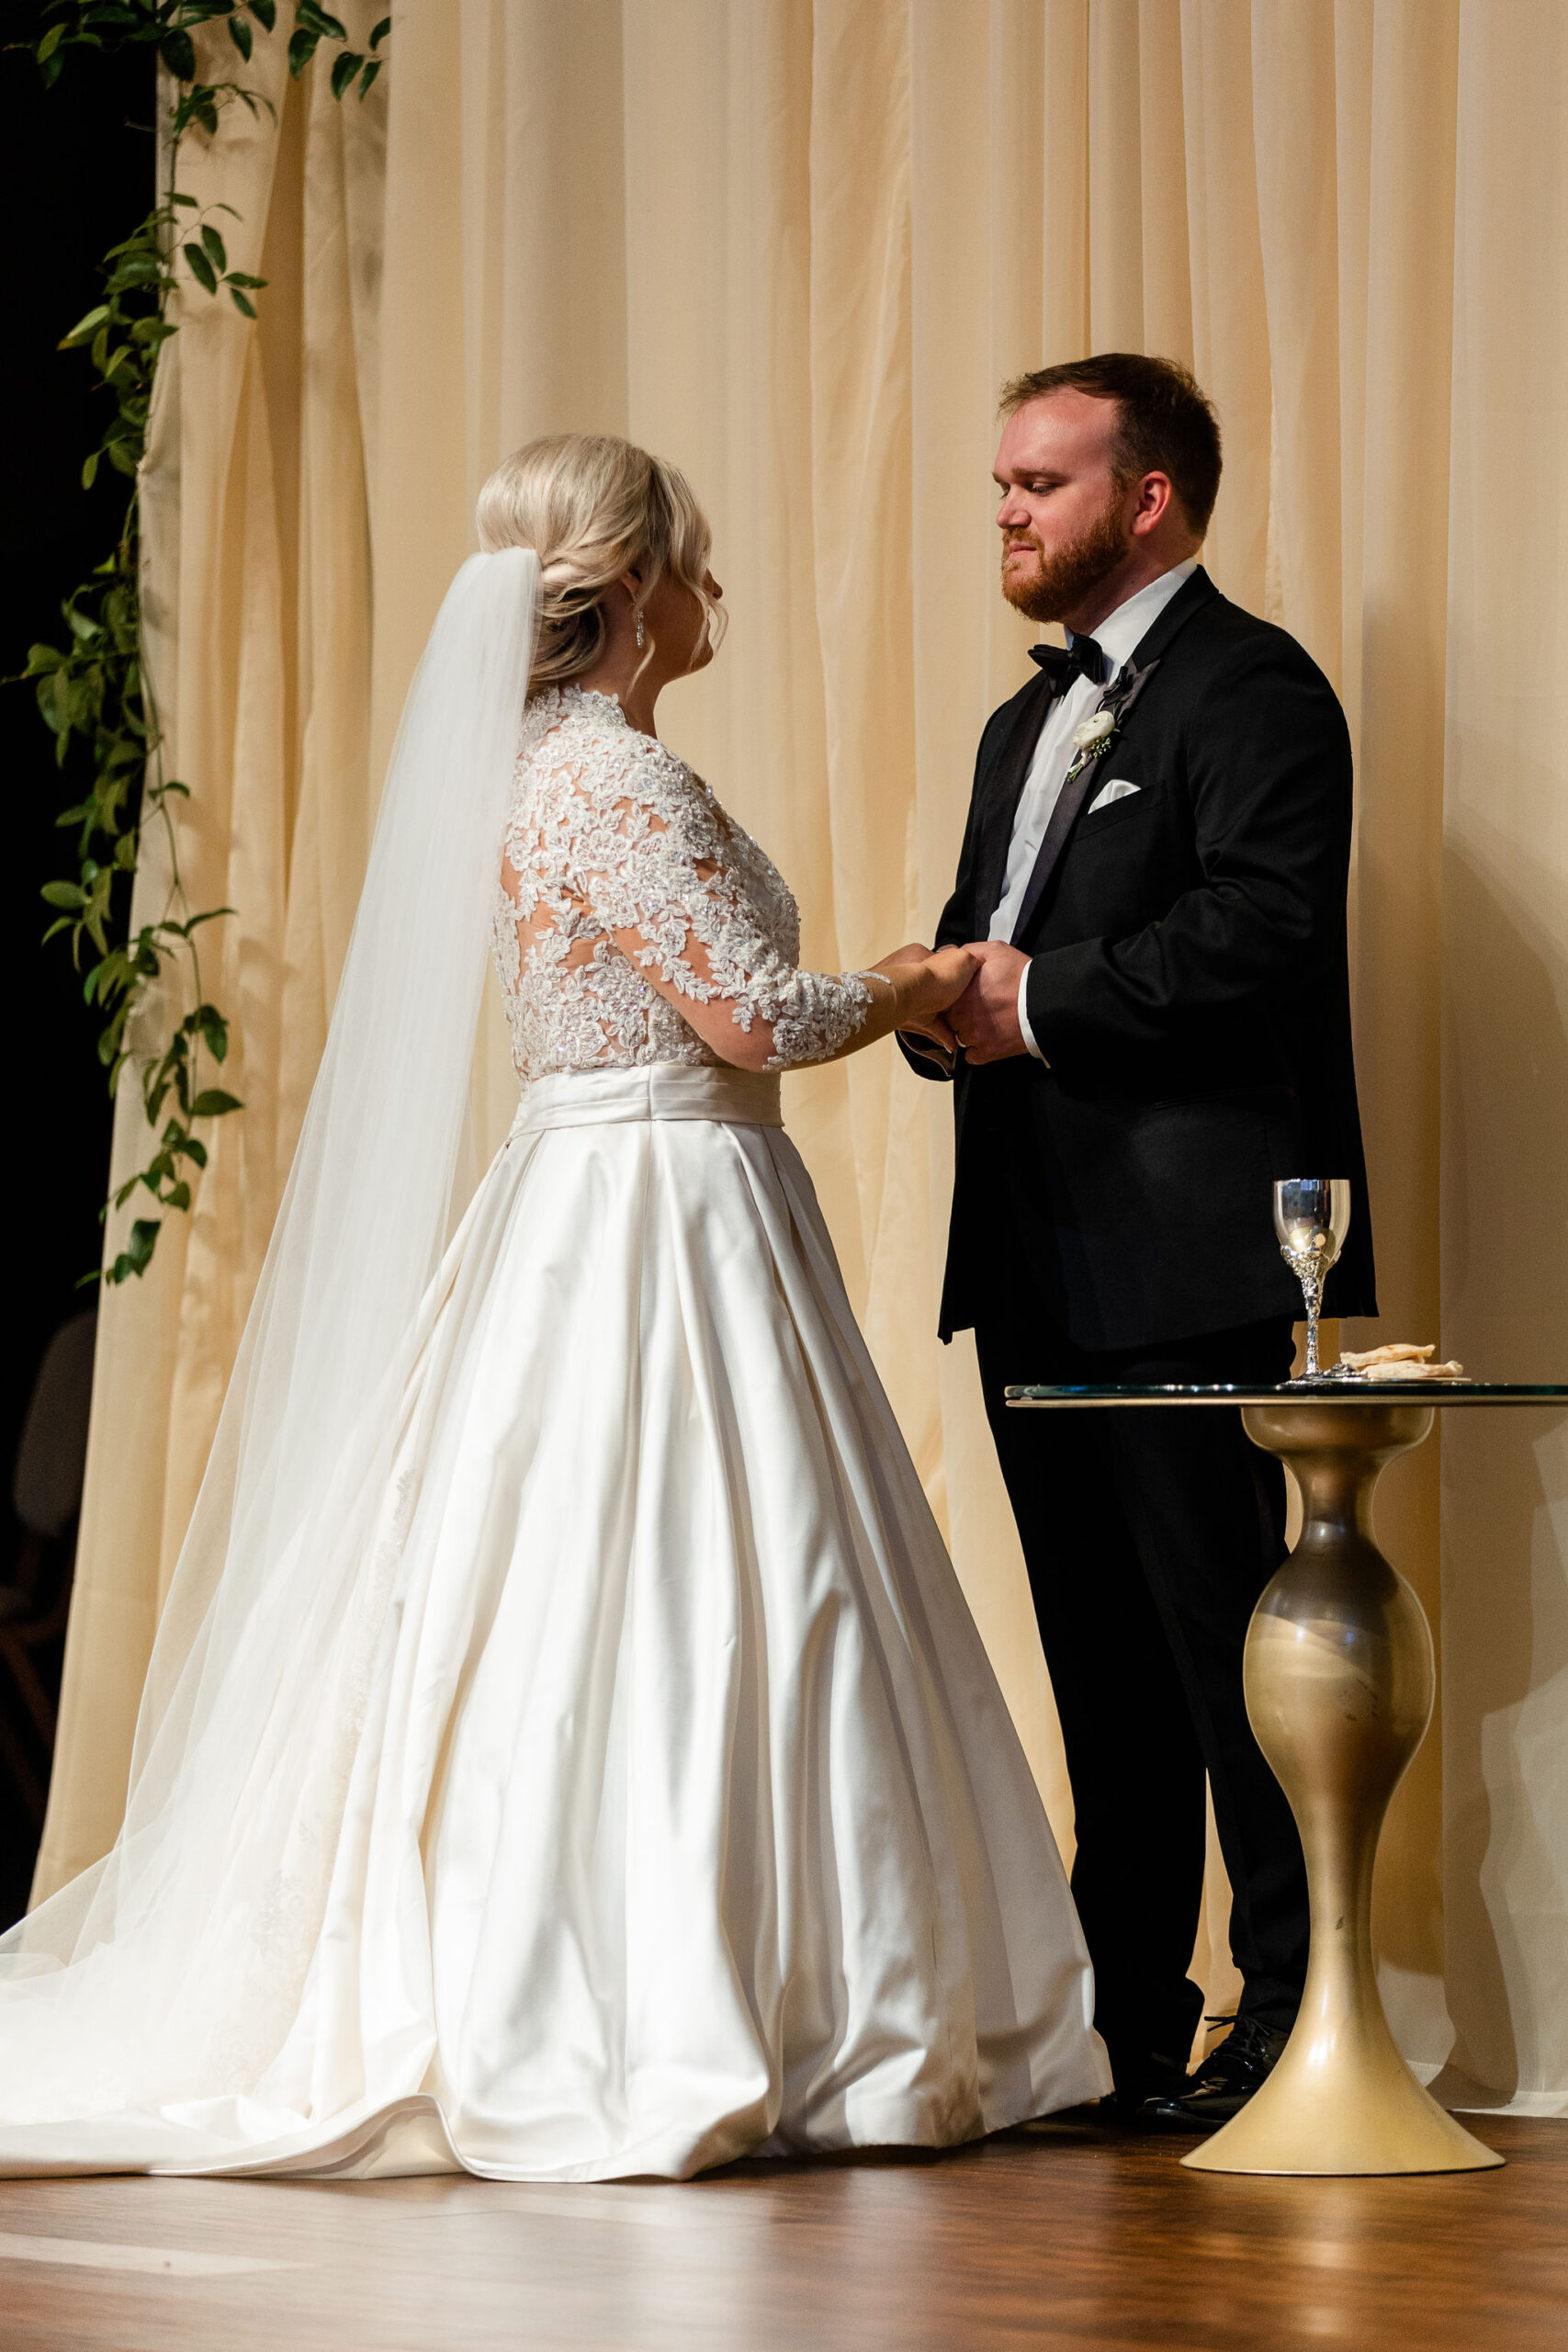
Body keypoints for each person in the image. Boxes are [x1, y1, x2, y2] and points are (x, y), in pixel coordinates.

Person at [0, 434, 1109, 2181]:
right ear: (639, 589)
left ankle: (719, 1979)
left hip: (623, 1193)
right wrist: (919, 976)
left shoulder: (553, 771)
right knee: (690, 1587)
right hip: (655, 1211)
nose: (717, 590)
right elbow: (754, 1019)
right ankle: (689, 2004)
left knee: (636, 1587)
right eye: (700, 561)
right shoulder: (611, 784)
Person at [899, 355, 1376, 2129]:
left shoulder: (1255, 691)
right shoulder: (1023, 727)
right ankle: (1124, 2024)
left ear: (1147, 496)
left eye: (1040, 482)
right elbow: (985, 935)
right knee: (1099, 1668)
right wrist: (934, 993)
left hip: (1195, 1265)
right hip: (1034, 1262)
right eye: (1002, 485)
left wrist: (1039, 1001)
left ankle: (1287, 2017)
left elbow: (1262, 934)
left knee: (1222, 1648)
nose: (1009, 512)